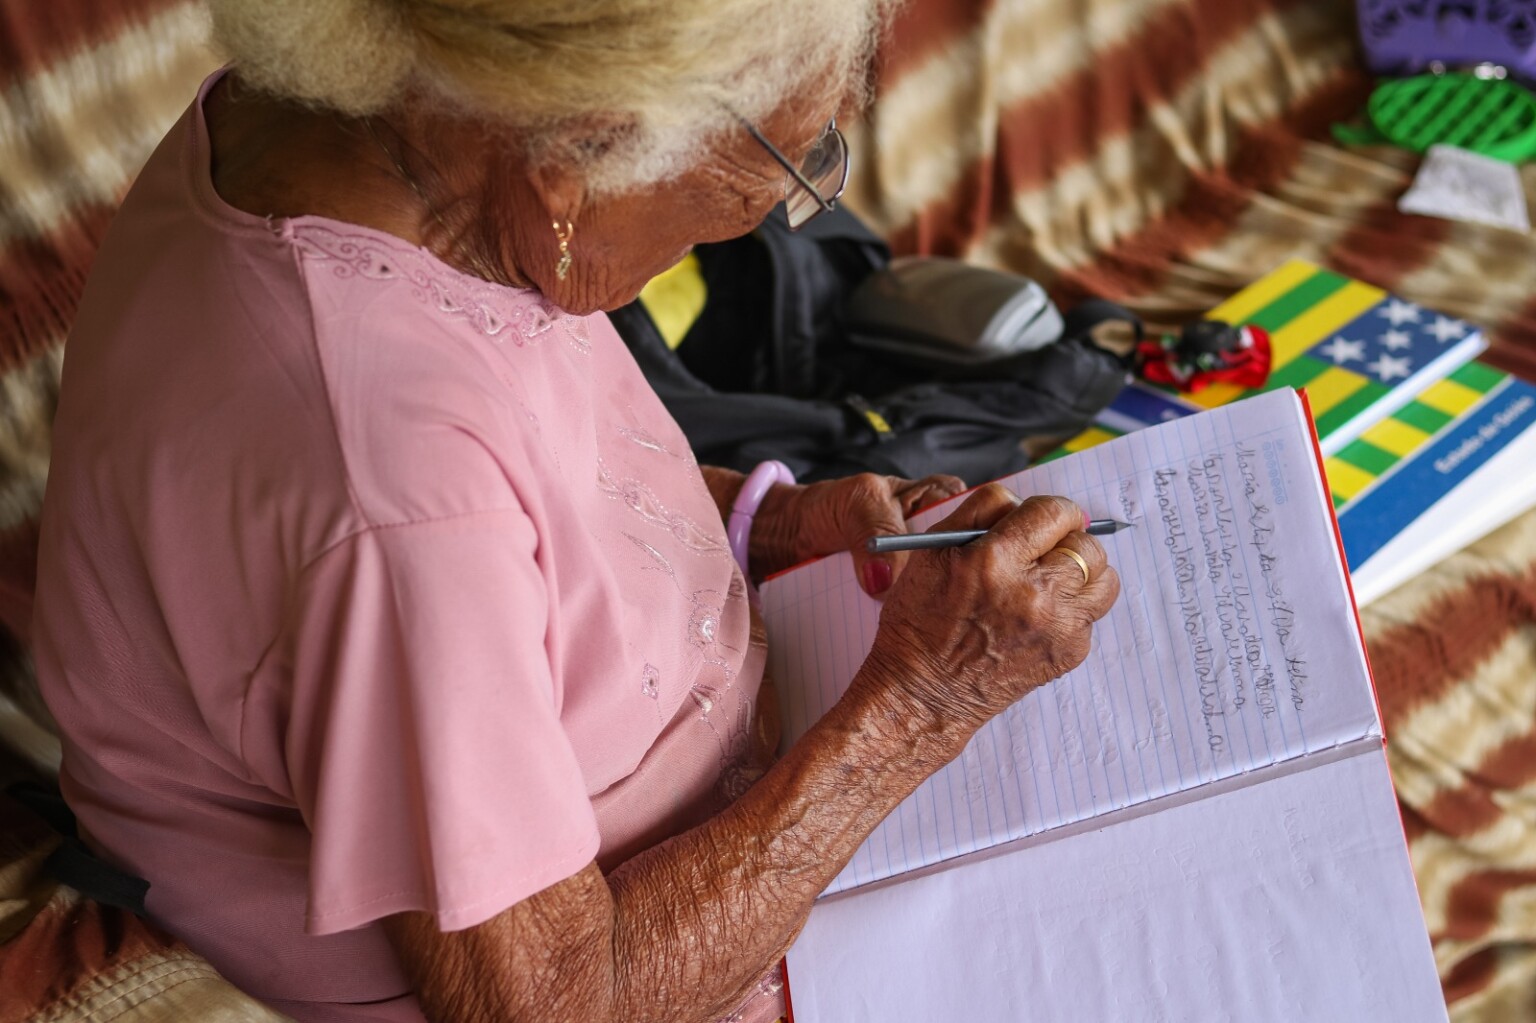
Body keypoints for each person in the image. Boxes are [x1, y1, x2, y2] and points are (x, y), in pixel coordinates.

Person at [31, 2, 1120, 1021]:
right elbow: (554, 1001)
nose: (745, 231)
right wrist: (920, 707)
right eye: (749, 194)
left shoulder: (364, 123)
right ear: (574, 158)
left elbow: (534, 497)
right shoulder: (391, 483)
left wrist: (778, 522)